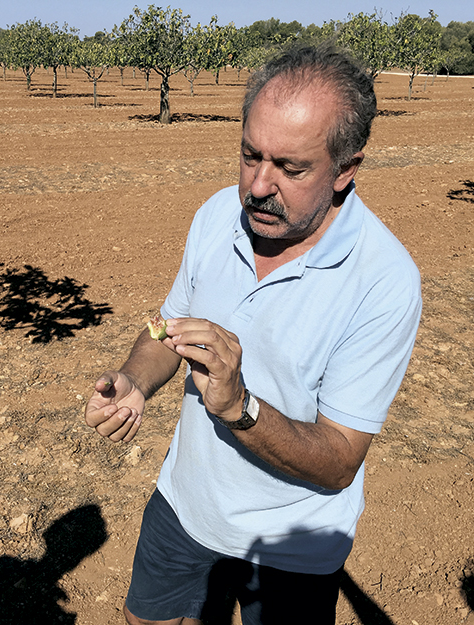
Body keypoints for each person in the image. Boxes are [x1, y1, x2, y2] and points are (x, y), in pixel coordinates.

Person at [85, 45, 422, 625]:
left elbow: (340, 459)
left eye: (291, 168)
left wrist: (240, 406)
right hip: (184, 506)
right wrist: (135, 380)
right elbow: (166, 325)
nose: (259, 186)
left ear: (346, 169)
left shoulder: (385, 282)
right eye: (249, 155)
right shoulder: (218, 215)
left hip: (292, 545)